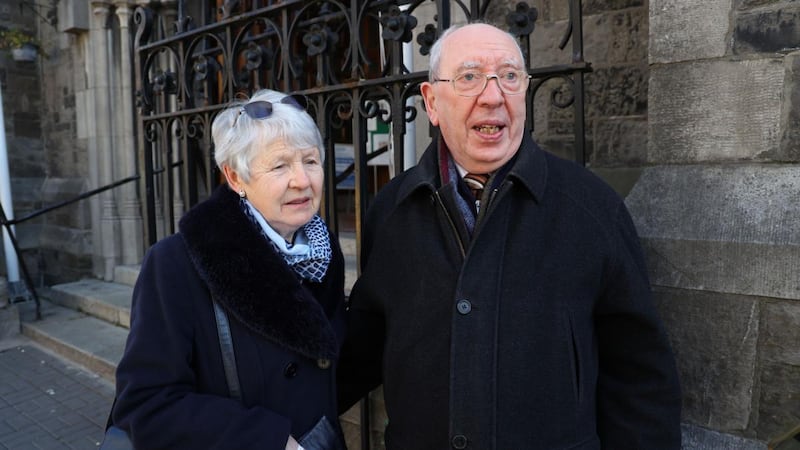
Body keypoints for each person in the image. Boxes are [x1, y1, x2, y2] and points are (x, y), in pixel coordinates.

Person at [337, 23, 682, 449]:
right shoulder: (391, 211)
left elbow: (640, 378)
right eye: (469, 77)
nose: (493, 95)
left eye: (510, 76)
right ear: (432, 103)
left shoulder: (593, 210)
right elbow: (360, 353)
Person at [112, 89, 347, 450]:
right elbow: (146, 403)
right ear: (236, 178)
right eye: (280, 165)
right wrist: (269, 440)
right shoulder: (177, 264)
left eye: (311, 161)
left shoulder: (322, 251)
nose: (302, 180)